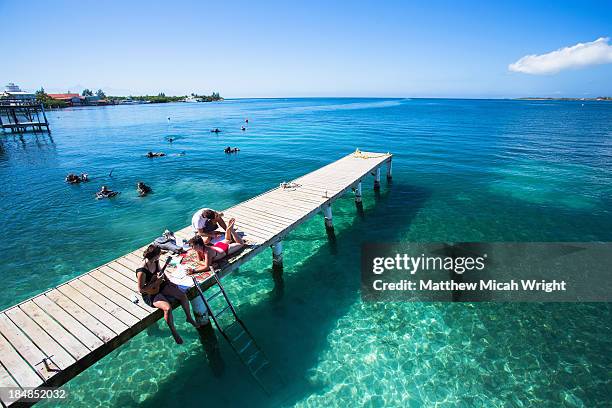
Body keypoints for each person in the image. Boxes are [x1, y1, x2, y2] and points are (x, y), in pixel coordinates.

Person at [136, 245, 201, 344]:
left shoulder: (155, 261)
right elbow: (141, 289)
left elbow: (160, 272)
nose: (160, 256)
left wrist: (169, 282)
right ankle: (174, 332)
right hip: (150, 293)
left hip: (160, 285)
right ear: (156, 255)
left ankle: (189, 317)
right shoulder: (142, 270)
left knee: (182, 295)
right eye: (159, 254)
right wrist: (155, 283)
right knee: (167, 308)